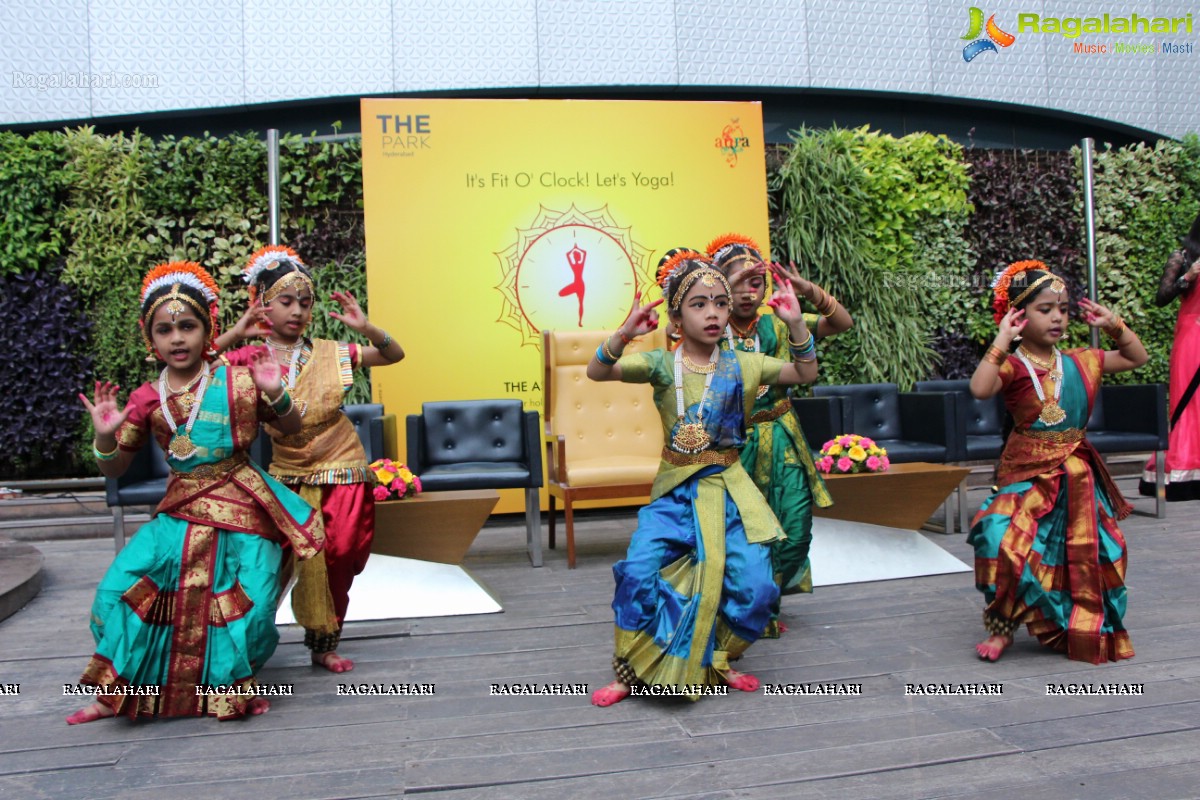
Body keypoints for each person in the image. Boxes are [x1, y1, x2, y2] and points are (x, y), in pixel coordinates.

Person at [70, 261, 323, 723]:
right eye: (164, 330)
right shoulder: (147, 397)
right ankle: (118, 693)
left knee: (253, 603)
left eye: (187, 326)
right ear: (152, 340)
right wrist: (105, 437)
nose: (177, 338)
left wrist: (276, 392)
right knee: (117, 593)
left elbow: (293, 428)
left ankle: (229, 686)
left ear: (208, 330)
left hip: (245, 506)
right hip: (181, 509)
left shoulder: (240, 377)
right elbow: (117, 465)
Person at [588, 253, 819, 706]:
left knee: (756, 587)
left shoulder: (747, 365)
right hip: (675, 494)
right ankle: (629, 669)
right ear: (676, 318)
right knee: (638, 573)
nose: (712, 313)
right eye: (698, 304)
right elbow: (599, 372)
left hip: (730, 491)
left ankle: (717, 658)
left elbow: (804, 372)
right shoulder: (660, 364)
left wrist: (795, 326)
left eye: (719, 302)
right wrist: (623, 335)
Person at [219, 245, 404, 673]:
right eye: (286, 301)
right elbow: (198, 368)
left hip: (341, 463)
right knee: (270, 561)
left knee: (338, 555)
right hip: (286, 474)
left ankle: (324, 643)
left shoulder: (332, 351)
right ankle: (246, 642)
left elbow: (394, 356)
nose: (298, 311)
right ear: (261, 303)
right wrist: (235, 333)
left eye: (304, 302)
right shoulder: (248, 358)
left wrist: (368, 327)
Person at [968, 260, 1147, 664]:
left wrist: (1114, 323)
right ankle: (1002, 626)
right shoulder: (1012, 366)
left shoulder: (1084, 360)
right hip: (1026, 475)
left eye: (1063, 309)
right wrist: (1001, 341)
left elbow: (1136, 357)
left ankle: (1073, 619)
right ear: (1018, 315)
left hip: (1076, 476)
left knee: (1096, 551)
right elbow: (980, 388)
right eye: (1045, 309)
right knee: (998, 537)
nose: (1057, 317)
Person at [708, 234, 852, 632]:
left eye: (756, 283)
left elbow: (842, 323)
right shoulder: (710, 328)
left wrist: (808, 292)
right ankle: (743, 607)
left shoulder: (779, 321)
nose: (749, 291)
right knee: (738, 529)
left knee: (796, 528)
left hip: (784, 436)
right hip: (731, 443)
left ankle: (768, 597)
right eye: (738, 283)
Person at [1141, 211, 1200, 501]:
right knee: (1188, 401)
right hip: (1193, 336)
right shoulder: (1184, 256)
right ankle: (1182, 473)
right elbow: (1161, 297)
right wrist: (1187, 277)